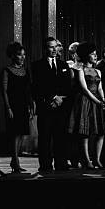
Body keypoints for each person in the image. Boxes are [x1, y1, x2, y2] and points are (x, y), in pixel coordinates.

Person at [68, 42, 105, 169]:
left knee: (101, 131)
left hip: (98, 100)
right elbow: (84, 89)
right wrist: (97, 101)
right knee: (84, 132)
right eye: (92, 54)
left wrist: (103, 100)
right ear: (86, 55)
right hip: (85, 100)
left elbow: (100, 88)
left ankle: (97, 159)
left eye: (96, 54)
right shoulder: (80, 69)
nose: (95, 56)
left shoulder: (98, 71)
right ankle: (86, 160)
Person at [32, 37, 72, 172]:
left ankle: (61, 163)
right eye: (51, 47)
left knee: (60, 137)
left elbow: (68, 85)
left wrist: (60, 98)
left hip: (61, 107)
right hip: (46, 107)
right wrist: (53, 97)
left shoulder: (63, 65)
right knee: (45, 138)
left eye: (56, 47)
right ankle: (45, 165)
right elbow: (37, 86)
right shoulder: (37, 65)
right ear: (45, 49)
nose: (54, 49)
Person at [1, 42, 34, 173]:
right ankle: (15, 161)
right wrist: (8, 108)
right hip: (13, 106)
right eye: (20, 55)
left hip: (23, 105)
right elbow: (4, 91)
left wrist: (31, 106)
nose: (23, 57)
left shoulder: (25, 71)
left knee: (21, 134)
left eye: (24, 55)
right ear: (13, 55)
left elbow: (28, 91)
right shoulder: (7, 70)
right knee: (15, 134)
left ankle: (15, 160)